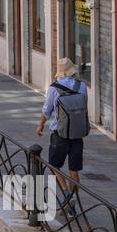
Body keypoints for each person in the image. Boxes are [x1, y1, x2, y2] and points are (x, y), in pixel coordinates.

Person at [36, 58, 91, 211]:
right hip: (77, 133)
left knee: (54, 165)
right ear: (72, 71)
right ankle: (73, 200)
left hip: (59, 133)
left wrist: (40, 125)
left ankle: (67, 194)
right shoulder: (82, 86)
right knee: (74, 170)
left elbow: (47, 111)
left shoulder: (54, 89)